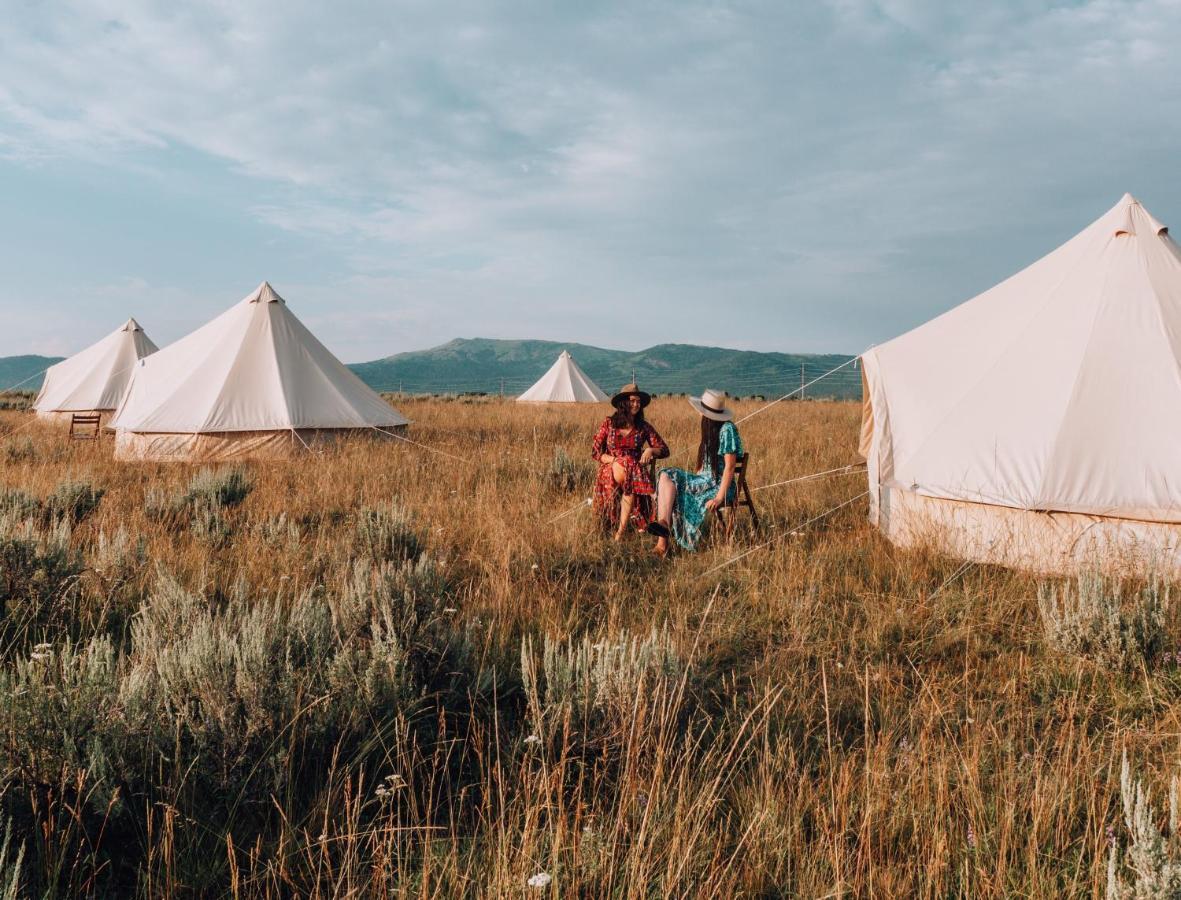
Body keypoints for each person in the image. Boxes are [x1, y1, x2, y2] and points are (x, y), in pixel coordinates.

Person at [647, 389, 743, 555]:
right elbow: (703, 466)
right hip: (703, 481)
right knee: (665, 474)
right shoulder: (710, 428)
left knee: (674, 487)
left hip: (719, 485)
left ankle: (662, 545)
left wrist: (719, 497)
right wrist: (693, 480)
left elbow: (730, 467)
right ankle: (663, 524)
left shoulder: (727, 429)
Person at [590, 383, 670, 540]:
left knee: (629, 470)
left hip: (631, 472)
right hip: (611, 468)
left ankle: (619, 533)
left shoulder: (643, 427)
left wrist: (650, 450)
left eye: (638, 402)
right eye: (632, 401)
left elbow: (665, 450)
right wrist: (615, 460)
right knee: (627, 463)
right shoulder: (609, 423)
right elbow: (596, 452)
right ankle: (654, 496)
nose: (636, 405)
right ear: (623, 403)